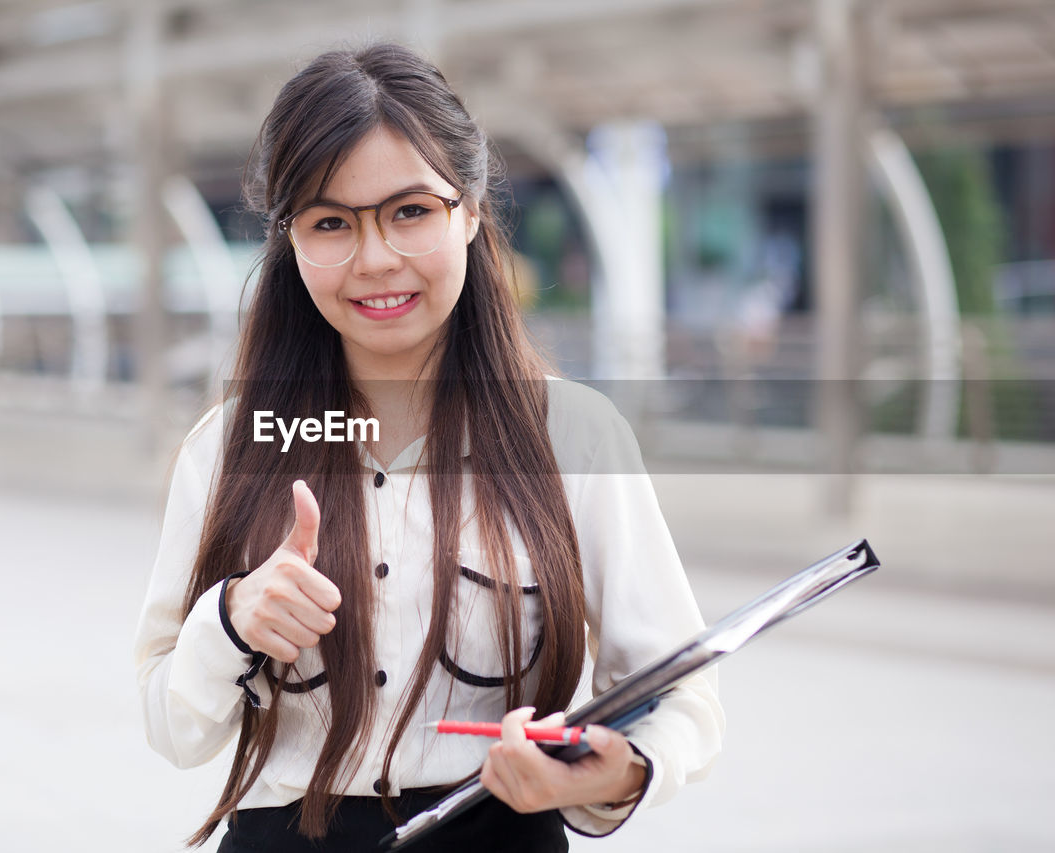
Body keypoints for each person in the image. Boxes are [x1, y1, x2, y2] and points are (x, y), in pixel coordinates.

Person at [133, 43, 723, 853]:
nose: (375, 259)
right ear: (289, 238)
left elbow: (680, 691)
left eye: (410, 211)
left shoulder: (574, 436)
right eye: (330, 222)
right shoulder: (231, 446)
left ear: (470, 209)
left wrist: (606, 773)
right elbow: (174, 726)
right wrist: (234, 618)